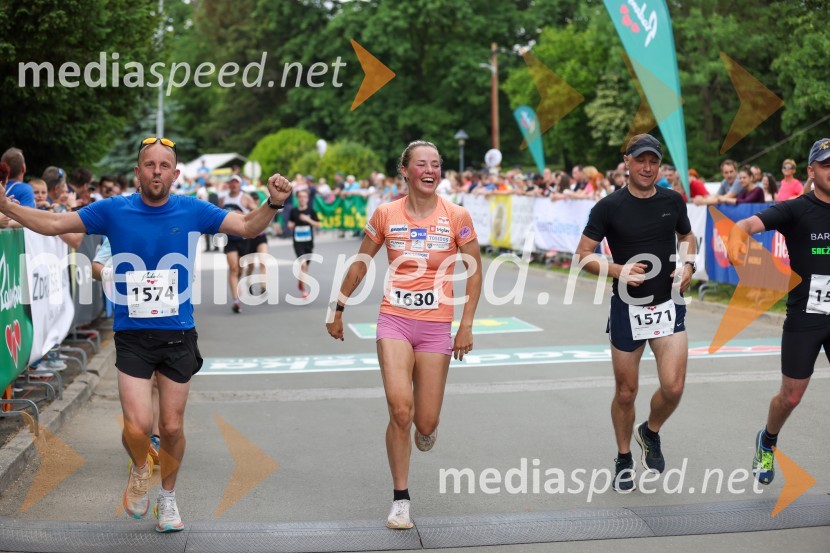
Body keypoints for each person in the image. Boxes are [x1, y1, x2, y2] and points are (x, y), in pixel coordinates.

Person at [0, 136, 292, 533]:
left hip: (178, 334)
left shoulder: (192, 209)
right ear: (138, 172)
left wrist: (273, 202)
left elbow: (244, 225)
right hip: (133, 334)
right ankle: (141, 467)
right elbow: (53, 224)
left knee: (170, 428)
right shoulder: (113, 209)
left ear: (175, 173)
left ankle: (168, 498)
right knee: (137, 428)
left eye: (164, 165)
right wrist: (6, 206)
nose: (157, 171)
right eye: (150, 165)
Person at [326, 140, 482, 529]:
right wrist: (337, 307)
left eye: (436, 164)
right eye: (422, 164)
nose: (430, 170)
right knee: (400, 410)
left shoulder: (456, 215)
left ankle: (425, 428)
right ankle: (400, 499)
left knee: (424, 424)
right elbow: (361, 263)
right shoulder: (386, 213)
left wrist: (465, 324)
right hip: (394, 320)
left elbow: (475, 270)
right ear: (405, 171)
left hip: (436, 327)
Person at [574, 134, 697, 492]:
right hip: (628, 308)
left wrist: (688, 265)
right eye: (640, 160)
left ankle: (650, 431)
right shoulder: (608, 207)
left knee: (673, 387)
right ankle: (624, 457)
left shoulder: (672, 200)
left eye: (653, 161)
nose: (647, 167)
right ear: (626, 161)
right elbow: (583, 255)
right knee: (626, 392)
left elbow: (687, 237)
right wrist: (618, 270)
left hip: (668, 304)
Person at [728, 138, 830, 486]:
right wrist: (737, 242)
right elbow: (747, 225)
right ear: (811, 171)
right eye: (826, 165)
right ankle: (767, 440)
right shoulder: (796, 209)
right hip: (807, 316)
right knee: (791, 396)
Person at [219, 175, 259, 313]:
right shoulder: (223, 199)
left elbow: (257, 211)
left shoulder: (245, 198)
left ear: (240, 184)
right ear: (229, 185)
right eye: (232, 182)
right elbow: (217, 214)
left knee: (240, 269)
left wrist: (244, 214)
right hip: (229, 238)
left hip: (243, 237)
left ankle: (238, 283)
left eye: (236, 182)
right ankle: (236, 300)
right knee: (233, 268)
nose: (234, 184)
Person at [287, 188, 321, 299]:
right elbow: (290, 223)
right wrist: (290, 225)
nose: (302, 199)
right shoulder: (294, 211)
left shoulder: (311, 211)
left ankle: (301, 280)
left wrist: (308, 219)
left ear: (307, 199)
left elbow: (318, 225)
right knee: (303, 264)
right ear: (297, 198)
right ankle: (305, 290)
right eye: (300, 197)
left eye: (304, 197)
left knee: (305, 267)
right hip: (298, 242)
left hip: (308, 243)